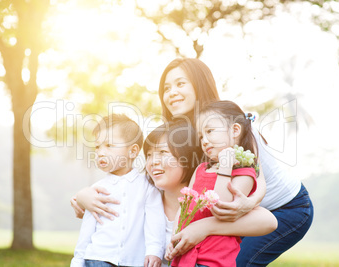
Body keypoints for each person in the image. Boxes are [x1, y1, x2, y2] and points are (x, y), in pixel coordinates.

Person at [72, 58, 314, 266]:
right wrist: (84, 195)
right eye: (166, 87)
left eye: (180, 83)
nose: (171, 92)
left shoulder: (224, 123)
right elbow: (145, 172)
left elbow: (257, 173)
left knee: (236, 261)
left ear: (200, 85)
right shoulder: (191, 135)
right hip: (231, 209)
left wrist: (249, 202)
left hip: (284, 208)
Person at [142, 120, 277, 267]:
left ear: (188, 156)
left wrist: (204, 227)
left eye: (163, 152)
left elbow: (269, 221)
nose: (153, 161)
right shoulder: (145, 197)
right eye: (148, 155)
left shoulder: (208, 198)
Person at [167, 101, 260, 267]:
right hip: (186, 254)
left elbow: (220, 207)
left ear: (235, 130)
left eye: (210, 131)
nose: (204, 140)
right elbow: (184, 207)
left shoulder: (244, 173)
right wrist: (174, 237)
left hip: (213, 259)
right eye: (201, 136)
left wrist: (225, 167)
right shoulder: (201, 168)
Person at [71, 114, 165, 267]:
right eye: (97, 147)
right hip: (97, 259)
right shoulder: (96, 190)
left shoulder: (147, 186)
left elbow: (155, 221)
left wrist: (154, 251)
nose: (100, 152)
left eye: (109, 145)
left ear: (133, 151)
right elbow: (87, 230)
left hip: (134, 261)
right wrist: (77, 261)